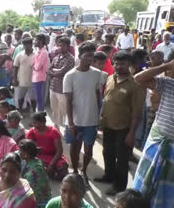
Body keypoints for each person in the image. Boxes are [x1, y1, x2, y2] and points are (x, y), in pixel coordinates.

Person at [95, 52, 145, 195]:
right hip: (108, 125)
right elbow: (106, 101)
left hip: (124, 128)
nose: (118, 66)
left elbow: (137, 112)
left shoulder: (136, 84)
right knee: (107, 152)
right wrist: (101, 119)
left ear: (129, 64)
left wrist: (132, 134)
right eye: (116, 63)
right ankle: (109, 176)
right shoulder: (111, 78)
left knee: (122, 159)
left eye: (122, 64)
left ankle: (119, 186)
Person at [132, 58, 174, 207]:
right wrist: (167, 65)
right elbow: (138, 78)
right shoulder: (169, 84)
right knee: (143, 188)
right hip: (157, 143)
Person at [63, 42, 101, 185]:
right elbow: (68, 100)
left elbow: (98, 96)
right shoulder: (70, 75)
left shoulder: (97, 74)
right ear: (79, 56)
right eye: (86, 55)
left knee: (89, 147)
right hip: (75, 121)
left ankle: (84, 171)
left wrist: (98, 117)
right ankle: (74, 172)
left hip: (91, 120)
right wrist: (71, 123)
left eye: (92, 55)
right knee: (74, 147)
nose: (89, 58)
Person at [27, 112, 68, 180]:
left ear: (43, 122)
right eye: (33, 123)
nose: (34, 125)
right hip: (40, 156)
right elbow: (28, 149)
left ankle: (46, 172)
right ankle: (46, 172)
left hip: (53, 156)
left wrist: (51, 165)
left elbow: (59, 151)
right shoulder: (32, 132)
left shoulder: (53, 132)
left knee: (62, 170)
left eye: (35, 123)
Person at [48, 37, 75, 128]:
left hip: (63, 88)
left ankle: (68, 127)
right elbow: (48, 70)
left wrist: (53, 71)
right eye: (60, 46)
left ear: (68, 46)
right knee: (54, 108)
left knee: (65, 109)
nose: (61, 47)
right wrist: (55, 71)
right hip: (53, 87)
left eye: (63, 46)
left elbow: (62, 72)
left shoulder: (70, 59)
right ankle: (56, 126)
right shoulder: (56, 57)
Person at [19, 139, 52, 207]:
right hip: (47, 199)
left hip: (38, 203)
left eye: (20, 151)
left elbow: (30, 192)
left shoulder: (31, 173)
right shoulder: (37, 162)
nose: (19, 152)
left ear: (26, 154)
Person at [13, 37, 36, 112]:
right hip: (21, 81)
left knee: (33, 99)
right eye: (25, 45)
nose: (26, 46)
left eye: (28, 45)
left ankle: (34, 112)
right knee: (20, 98)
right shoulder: (19, 55)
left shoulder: (36, 55)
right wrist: (15, 79)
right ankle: (19, 112)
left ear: (31, 45)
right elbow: (15, 67)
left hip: (32, 82)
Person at [32, 34, 49, 112]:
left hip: (40, 77)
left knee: (39, 97)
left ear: (41, 41)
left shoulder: (44, 52)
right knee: (38, 97)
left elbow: (37, 67)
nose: (34, 42)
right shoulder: (39, 51)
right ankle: (40, 112)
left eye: (36, 40)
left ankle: (40, 113)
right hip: (36, 77)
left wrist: (33, 66)